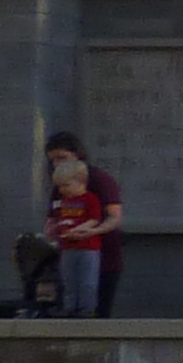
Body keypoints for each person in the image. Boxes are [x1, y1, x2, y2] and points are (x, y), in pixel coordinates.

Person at [40, 133, 122, 318]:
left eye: (62, 157)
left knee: (94, 304)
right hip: (68, 251)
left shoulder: (99, 180)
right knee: (68, 299)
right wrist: (52, 230)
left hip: (101, 254)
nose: (57, 164)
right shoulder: (60, 185)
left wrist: (91, 231)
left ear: (77, 155)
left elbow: (114, 217)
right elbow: (53, 217)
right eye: (53, 160)